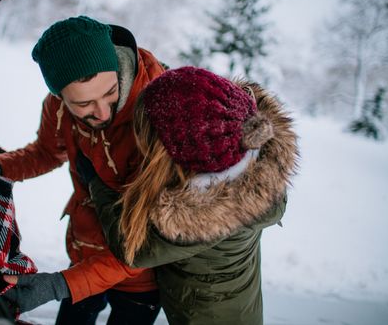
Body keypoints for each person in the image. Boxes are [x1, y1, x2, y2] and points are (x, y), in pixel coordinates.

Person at [0, 15, 166, 323]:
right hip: (84, 252)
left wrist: (58, 284)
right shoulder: (57, 109)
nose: (103, 112)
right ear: (60, 97)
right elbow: (45, 152)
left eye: (110, 92)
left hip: (140, 274)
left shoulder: (158, 117)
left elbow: (150, 241)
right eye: (84, 105)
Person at [77, 66, 299, 325]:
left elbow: (133, 249)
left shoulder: (205, 216)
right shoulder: (247, 156)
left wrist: (96, 184)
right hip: (241, 308)